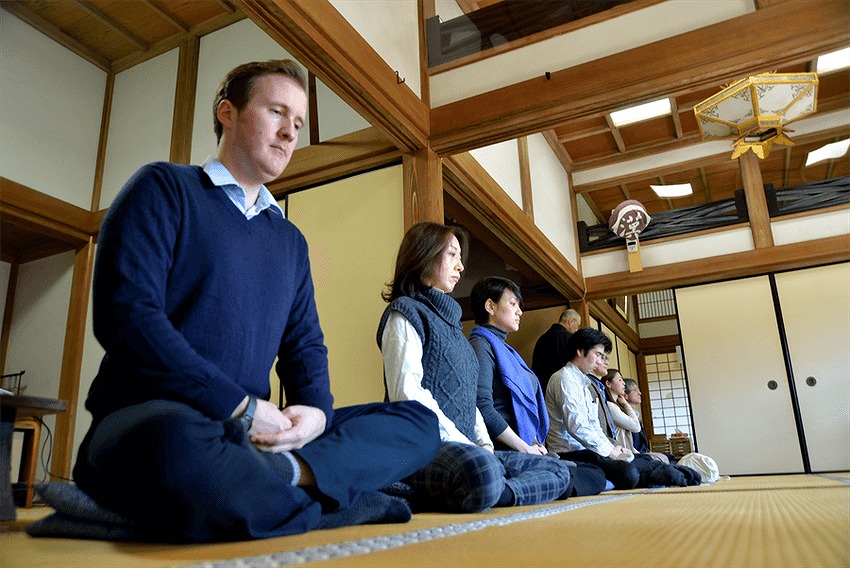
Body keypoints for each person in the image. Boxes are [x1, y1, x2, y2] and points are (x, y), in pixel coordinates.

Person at [71, 59, 440, 542]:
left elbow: (305, 347)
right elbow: (127, 319)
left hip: (256, 438)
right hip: (156, 416)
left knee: (417, 422)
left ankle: (284, 482)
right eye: (277, 113)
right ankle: (334, 496)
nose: (290, 133)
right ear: (228, 112)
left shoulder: (289, 241)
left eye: (299, 123)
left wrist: (315, 412)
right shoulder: (164, 188)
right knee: (179, 444)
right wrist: (240, 406)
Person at [377, 223, 572, 513]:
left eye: (460, 257)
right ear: (425, 255)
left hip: (468, 450)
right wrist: (467, 444)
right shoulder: (405, 312)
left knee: (558, 470)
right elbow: (407, 393)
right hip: (423, 446)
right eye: (452, 255)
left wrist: (484, 443)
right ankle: (483, 486)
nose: (461, 266)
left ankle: (496, 493)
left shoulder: (455, 328)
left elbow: (471, 401)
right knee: (480, 471)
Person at [469, 277, 606, 497]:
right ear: (490, 306)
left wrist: (533, 445)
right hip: (503, 448)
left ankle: (512, 487)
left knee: (591, 472)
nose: (520, 311)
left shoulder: (507, 351)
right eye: (513, 304)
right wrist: (526, 448)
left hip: (525, 446)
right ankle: (503, 492)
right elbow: (482, 407)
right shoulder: (481, 345)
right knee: (572, 473)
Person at [544, 328, 641, 490]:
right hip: (570, 452)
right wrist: (608, 452)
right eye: (597, 354)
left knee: (637, 463)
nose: (599, 360)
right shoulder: (564, 378)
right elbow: (576, 425)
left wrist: (611, 449)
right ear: (580, 351)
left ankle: (604, 481)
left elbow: (594, 426)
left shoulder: (585, 383)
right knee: (628, 473)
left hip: (588, 450)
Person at [531, 308, 581, 392]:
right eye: (578, 325)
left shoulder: (542, 338)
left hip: (542, 387)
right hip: (564, 385)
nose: (577, 329)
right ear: (571, 321)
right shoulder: (570, 338)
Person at [623, 378, 651, 454]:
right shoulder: (625, 416)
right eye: (635, 390)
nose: (640, 393)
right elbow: (635, 444)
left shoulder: (636, 414)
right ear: (625, 395)